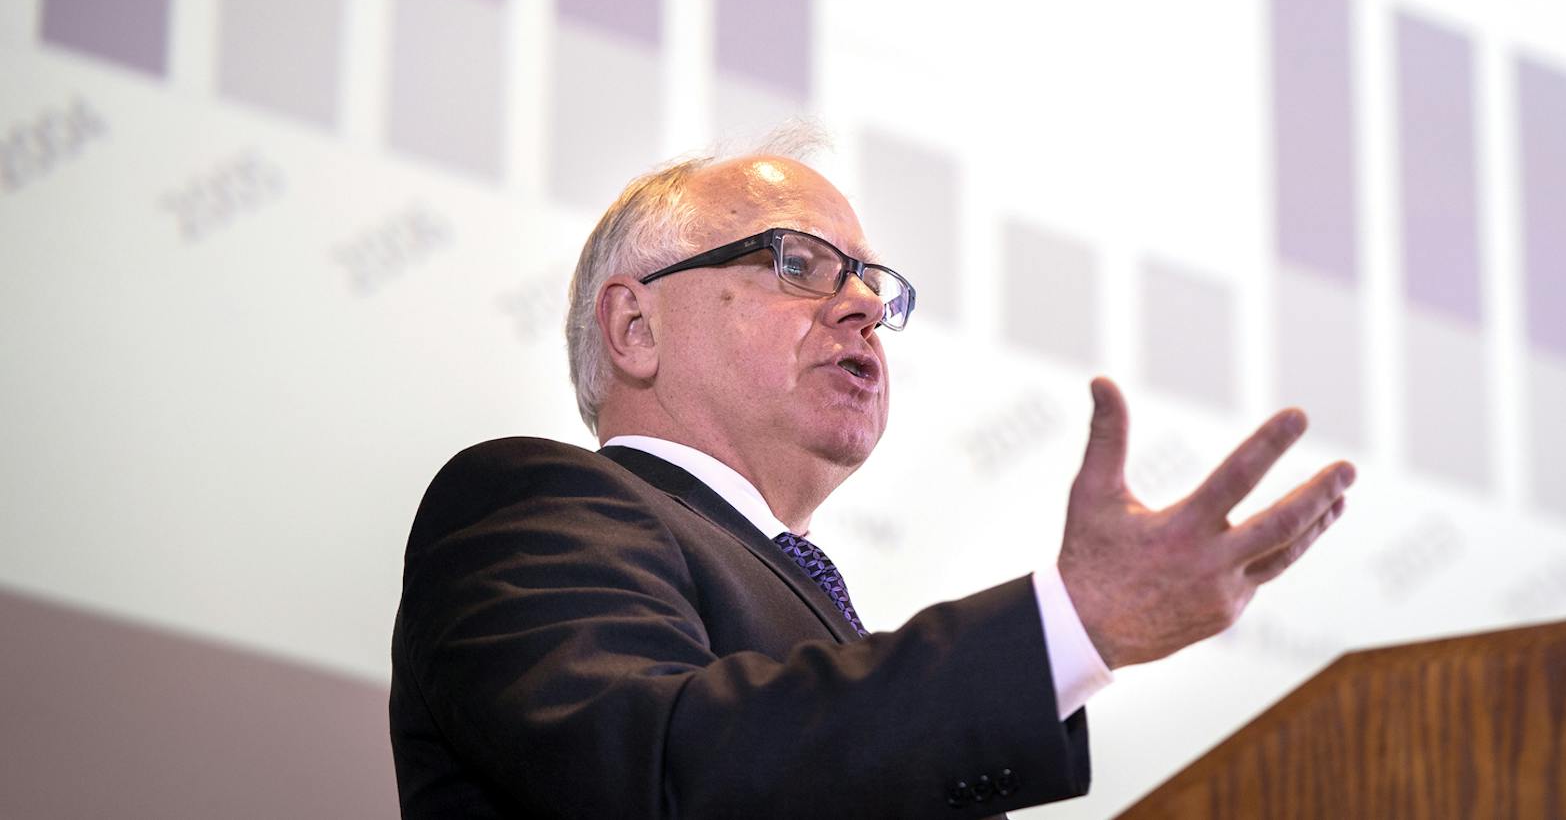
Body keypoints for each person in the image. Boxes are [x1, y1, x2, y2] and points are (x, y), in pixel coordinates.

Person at [388, 137, 1356, 817]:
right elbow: (663, 773)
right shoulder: (531, 505)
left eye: (869, 281)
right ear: (635, 327)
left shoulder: (808, 609)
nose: (860, 306)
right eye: (798, 263)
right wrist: (1072, 626)